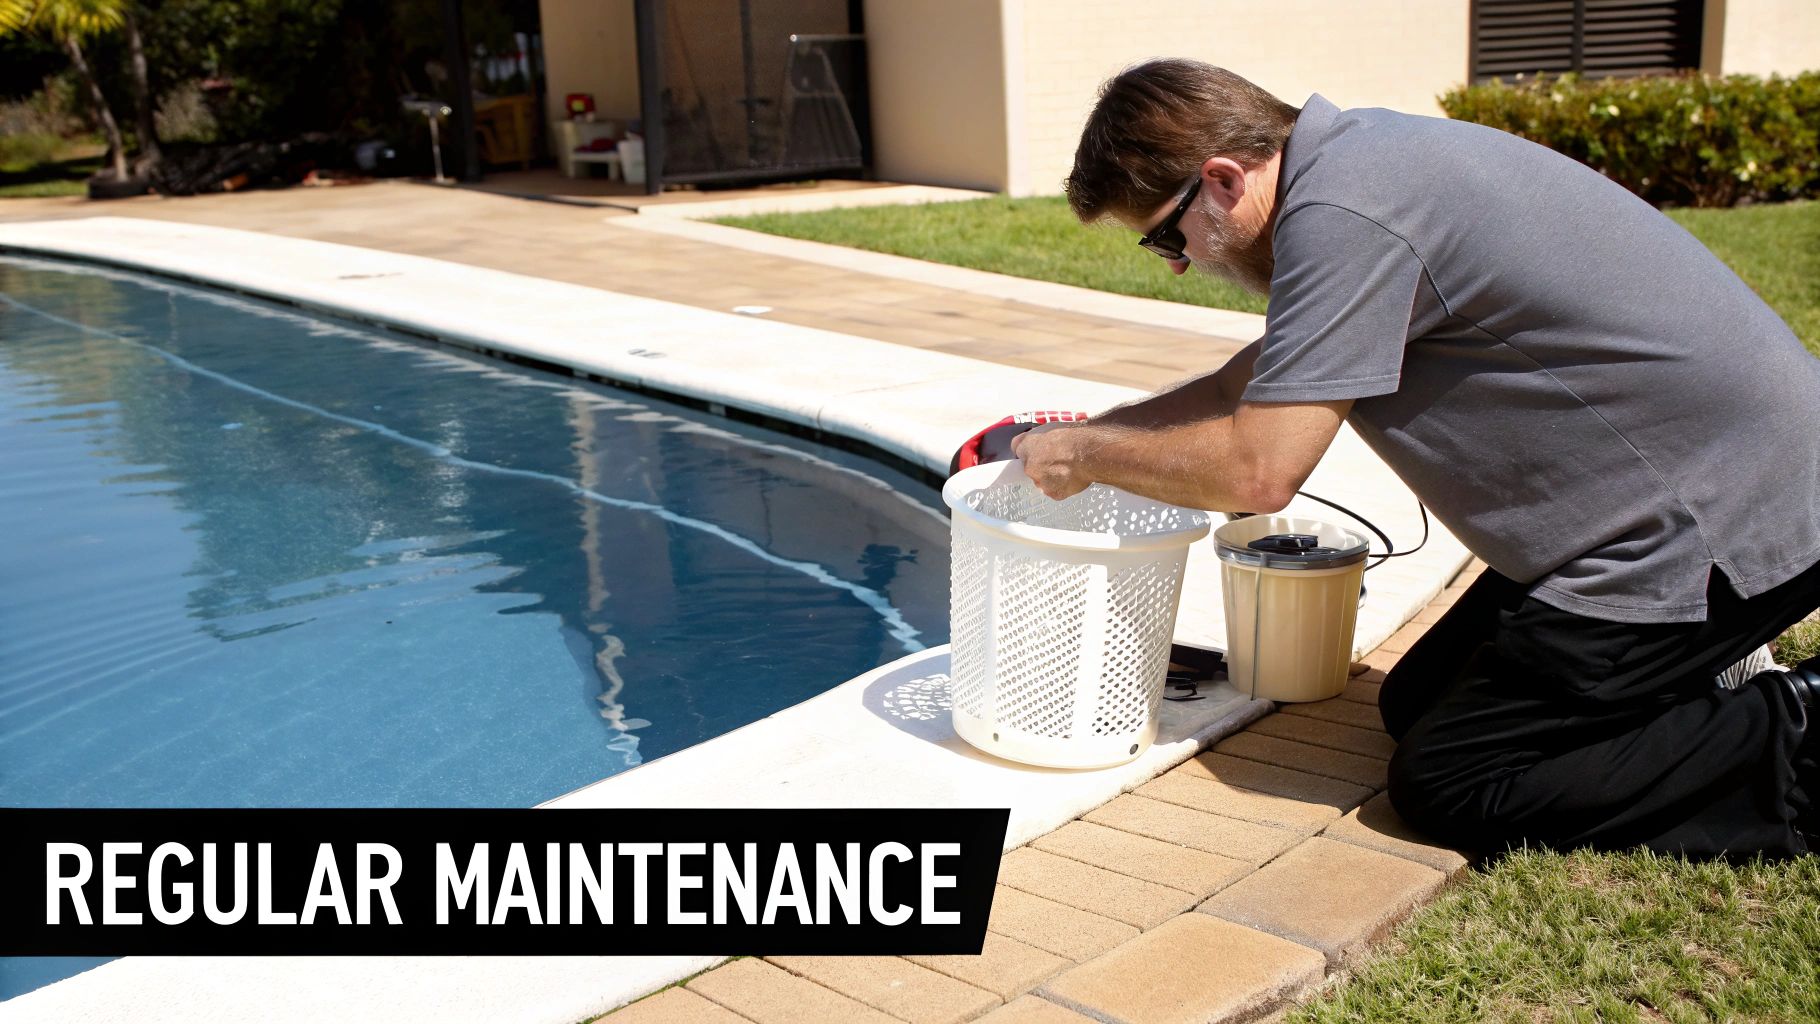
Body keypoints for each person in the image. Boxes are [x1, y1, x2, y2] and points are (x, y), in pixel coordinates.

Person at [1010, 59, 1820, 859]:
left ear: (1221, 178)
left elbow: (1256, 474)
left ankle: (1799, 735)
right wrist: (1096, 433)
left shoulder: (1346, 215)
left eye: (1164, 235)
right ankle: (1682, 679)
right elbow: (1242, 384)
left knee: (1454, 779)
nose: (1180, 263)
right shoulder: (1357, 167)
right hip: (1698, 490)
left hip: (1711, 525)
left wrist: (1085, 454)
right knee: (1417, 704)